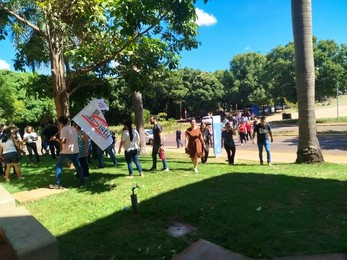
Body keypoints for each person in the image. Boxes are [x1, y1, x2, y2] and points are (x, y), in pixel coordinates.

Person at [49, 116, 85, 189]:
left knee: (59, 166)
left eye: (59, 122)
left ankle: (57, 184)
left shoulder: (64, 130)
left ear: (61, 122)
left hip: (67, 152)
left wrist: (55, 139)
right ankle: (82, 181)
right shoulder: (73, 129)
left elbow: (63, 141)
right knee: (78, 166)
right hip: (75, 151)